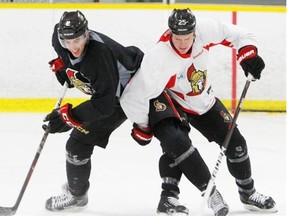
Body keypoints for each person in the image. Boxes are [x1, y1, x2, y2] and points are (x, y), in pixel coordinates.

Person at [120, 8, 277, 216]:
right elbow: (132, 95)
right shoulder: (158, 57)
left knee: (237, 144)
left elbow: (241, 34)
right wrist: (143, 125)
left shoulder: (205, 30)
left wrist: (248, 54)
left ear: (194, 32)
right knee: (176, 144)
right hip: (172, 101)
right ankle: (168, 198)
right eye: (177, 38)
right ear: (170, 33)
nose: (183, 43)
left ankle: (248, 193)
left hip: (203, 100)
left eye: (187, 37)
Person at [42, 10, 144, 211]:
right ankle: (77, 189)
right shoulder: (59, 37)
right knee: (77, 143)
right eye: (68, 42)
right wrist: (67, 69)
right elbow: (67, 53)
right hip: (110, 89)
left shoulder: (98, 56)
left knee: (77, 144)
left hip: (130, 92)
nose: (73, 47)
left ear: (87, 33)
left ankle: (77, 196)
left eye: (78, 40)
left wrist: (67, 118)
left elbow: (104, 104)